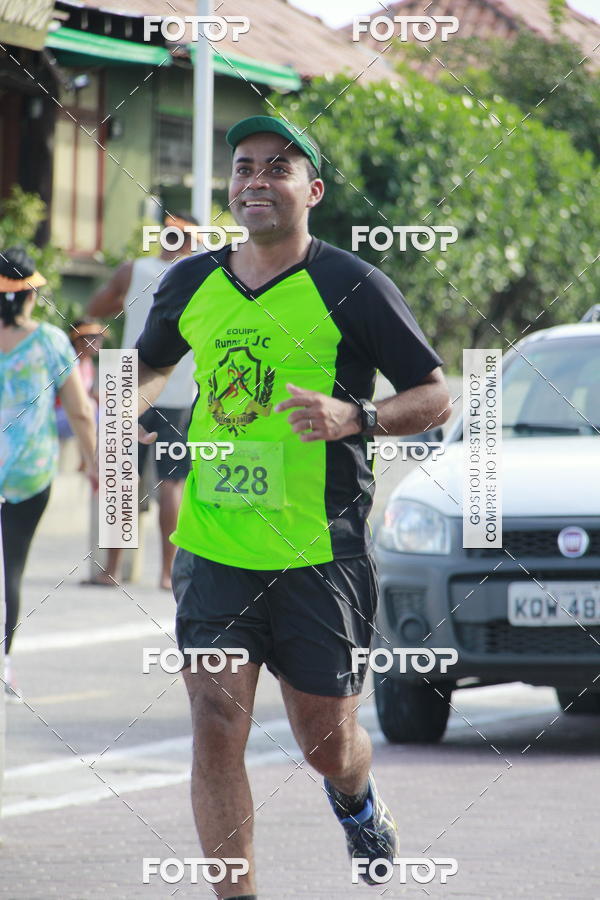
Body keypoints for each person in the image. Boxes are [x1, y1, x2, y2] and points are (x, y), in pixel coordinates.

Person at [134, 117, 452, 899]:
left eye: (277, 168)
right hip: (214, 548)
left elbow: (435, 396)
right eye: (243, 167)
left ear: (311, 191)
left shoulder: (354, 285)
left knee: (325, 743)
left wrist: (358, 416)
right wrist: (122, 425)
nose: (256, 180)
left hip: (320, 553)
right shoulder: (190, 282)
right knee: (215, 726)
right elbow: (141, 371)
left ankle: (355, 797)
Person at [0, 247, 97, 699]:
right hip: (29, 473)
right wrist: (96, 464)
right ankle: (4, 661)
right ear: (30, 294)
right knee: (12, 569)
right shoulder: (51, 342)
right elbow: (79, 411)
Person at [87, 214, 199, 589]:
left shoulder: (132, 270)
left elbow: (96, 306)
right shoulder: (201, 274)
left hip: (127, 380)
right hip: (179, 385)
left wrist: (125, 299)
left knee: (122, 476)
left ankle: (112, 570)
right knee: (172, 483)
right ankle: (167, 574)